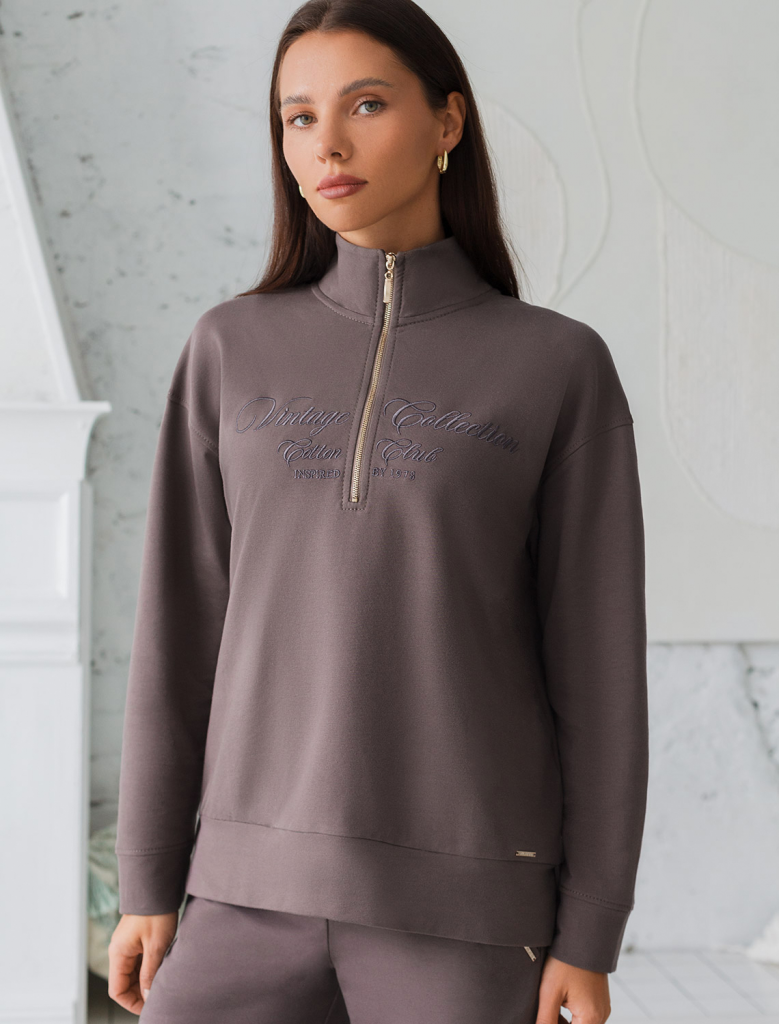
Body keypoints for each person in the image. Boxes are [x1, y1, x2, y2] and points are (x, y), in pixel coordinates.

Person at [108, 0, 649, 1021]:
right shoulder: (229, 348)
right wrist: (147, 879)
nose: (327, 145)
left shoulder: (555, 365)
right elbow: (176, 637)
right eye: (297, 117)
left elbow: (598, 676)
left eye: (364, 104)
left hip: (466, 910)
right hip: (240, 895)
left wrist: (588, 930)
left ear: (447, 121)